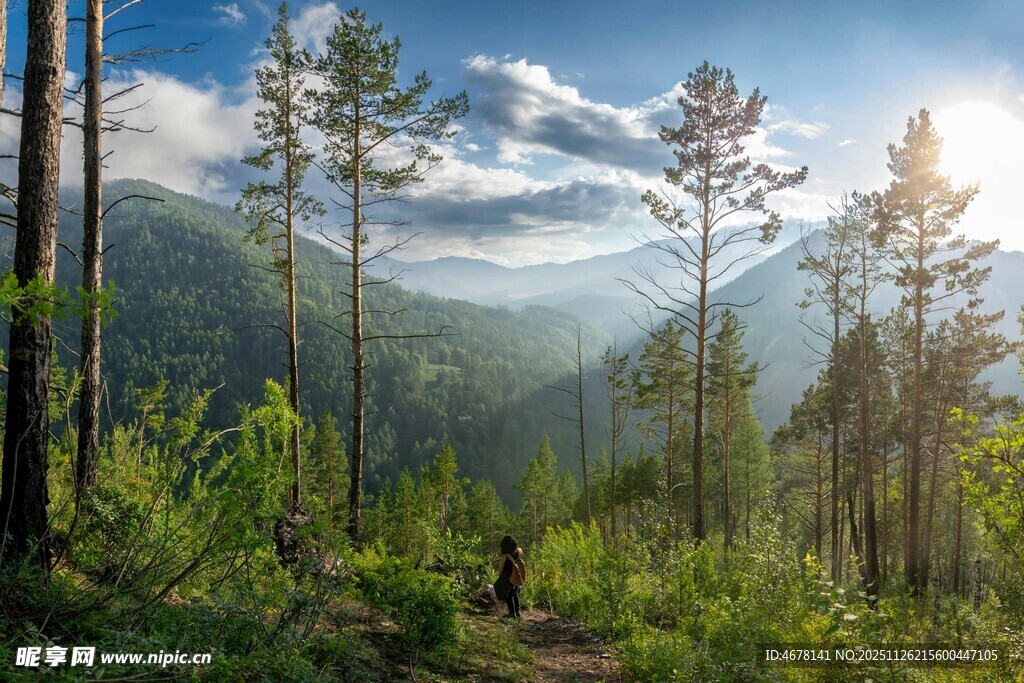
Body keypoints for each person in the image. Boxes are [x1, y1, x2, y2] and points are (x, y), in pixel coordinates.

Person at [498, 534, 523, 619]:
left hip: (508, 577)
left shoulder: (505, 555)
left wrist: (500, 579)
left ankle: (512, 613)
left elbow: (500, 569)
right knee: (515, 593)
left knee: (508, 595)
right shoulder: (519, 551)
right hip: (517, 576)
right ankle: (517, 612)